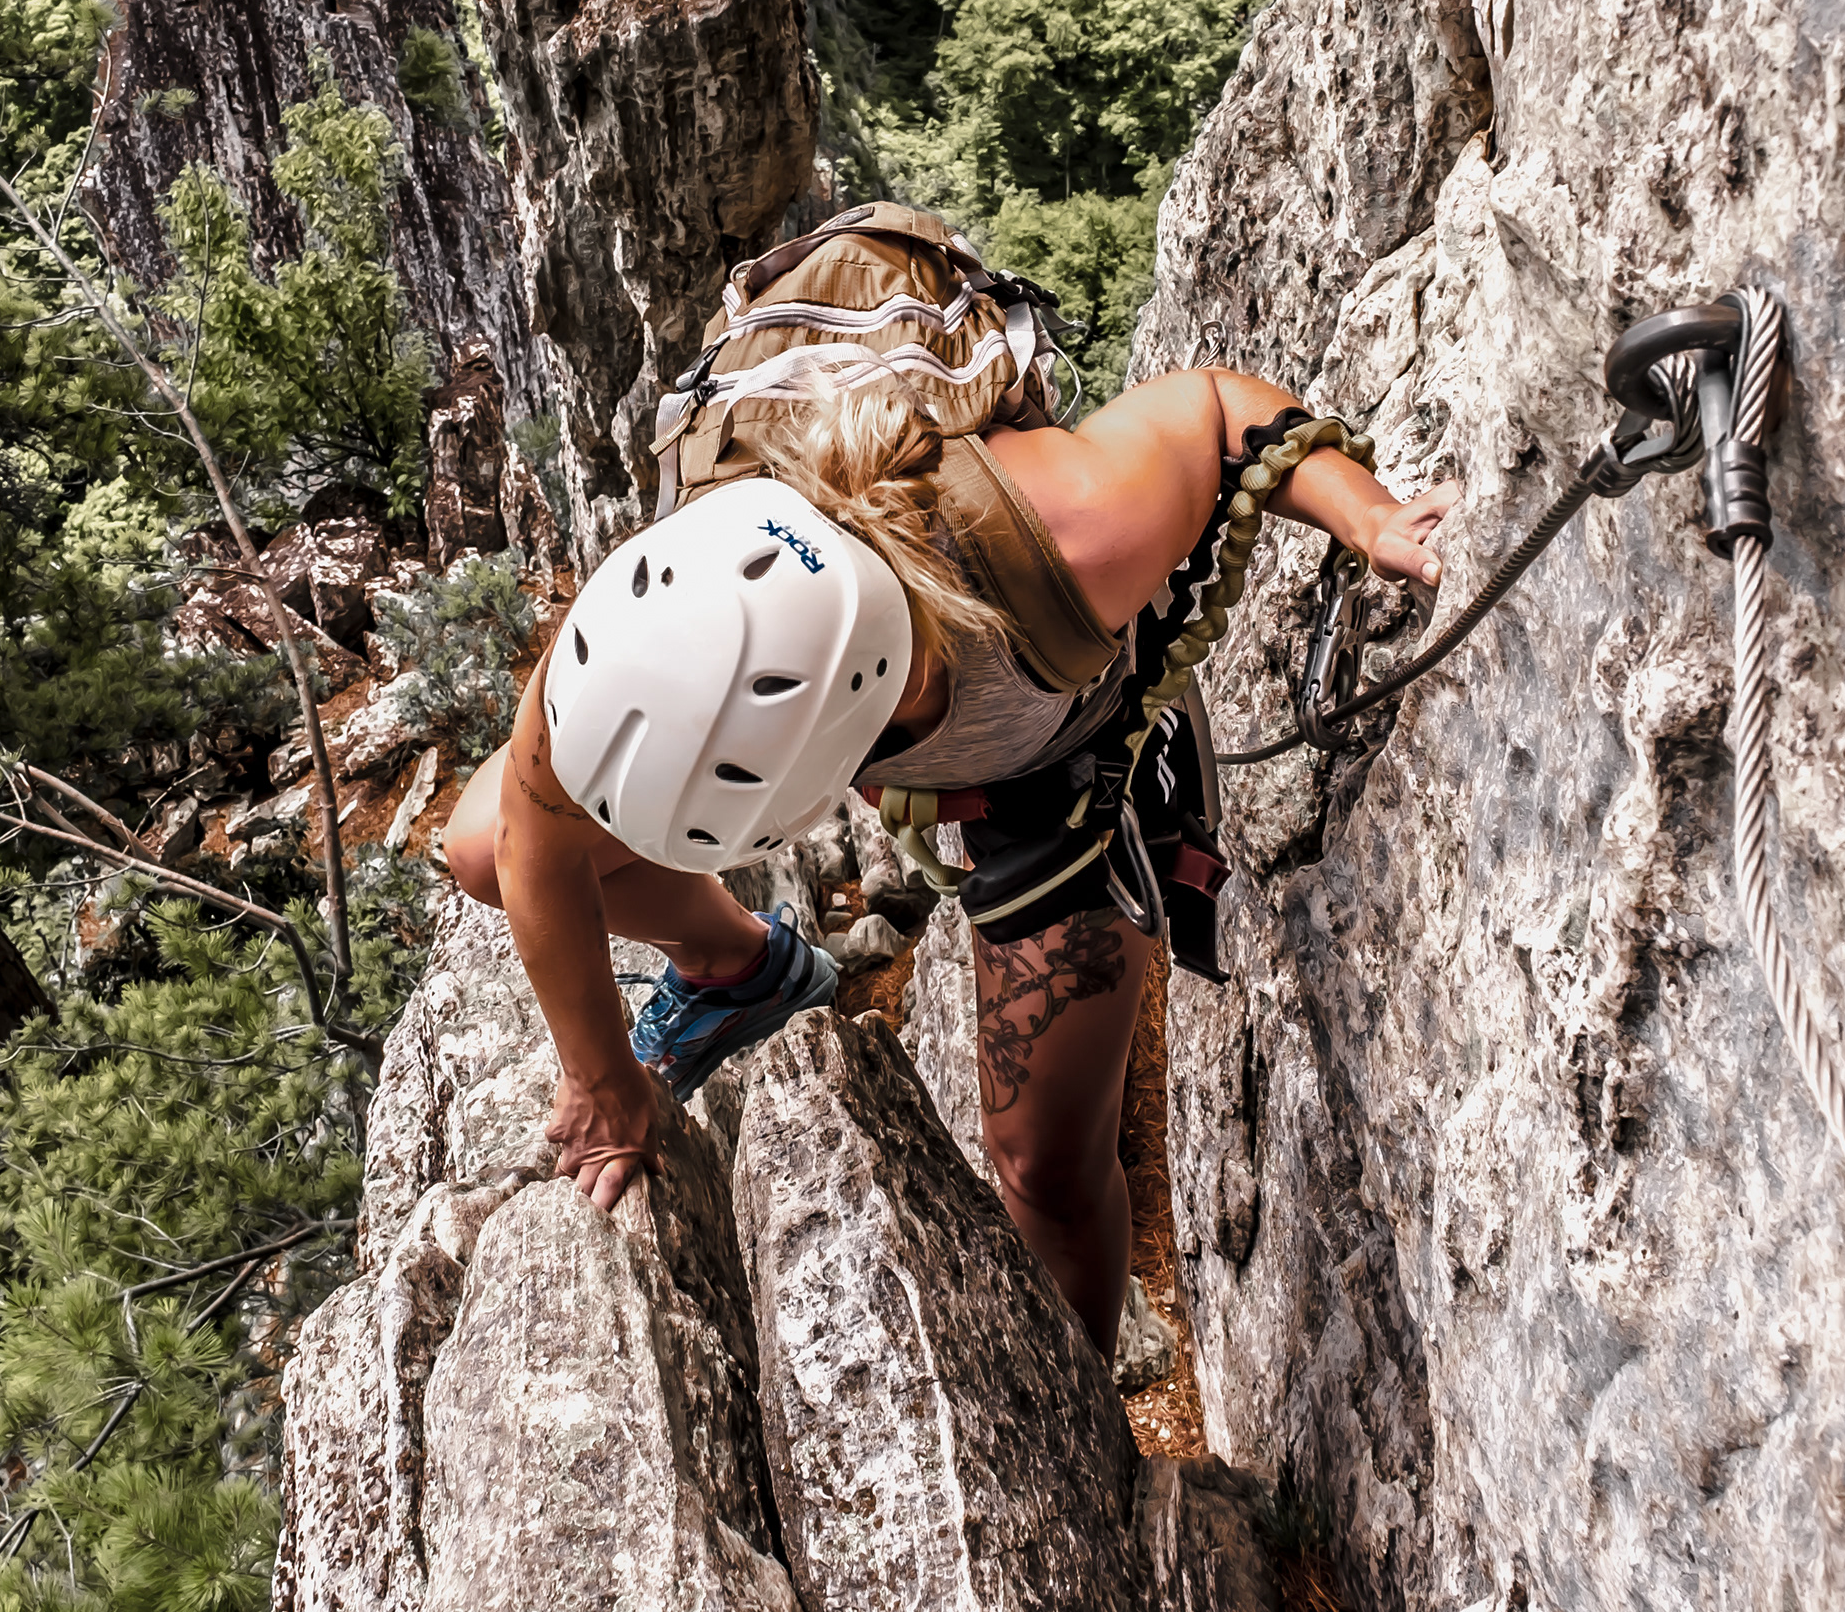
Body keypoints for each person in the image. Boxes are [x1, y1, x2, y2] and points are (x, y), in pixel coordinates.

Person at [442, 360, 1456, 1349]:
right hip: (859, 697)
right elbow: (529, 838)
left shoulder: (1072, 534)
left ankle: (1081, 1404)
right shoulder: (658, 621)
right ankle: (738, 968)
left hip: (1058, 754)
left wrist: (1366, 515)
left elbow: (1219, 410)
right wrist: (603, 1076)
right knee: (483, 851)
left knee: (1045, 1170)